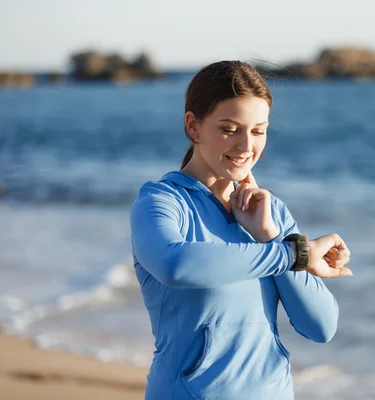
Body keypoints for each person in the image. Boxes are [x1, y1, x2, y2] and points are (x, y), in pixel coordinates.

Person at [129, 60, 353, 400]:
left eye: (258, 130)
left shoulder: (271, 211)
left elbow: (321, 326)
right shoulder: (160, 202)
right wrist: (293, 254)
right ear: (193, 126)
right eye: (229, 129)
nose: (246, 145)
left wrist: (271, 235)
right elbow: (176, 266)